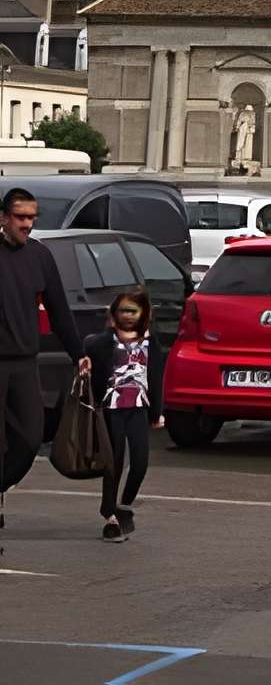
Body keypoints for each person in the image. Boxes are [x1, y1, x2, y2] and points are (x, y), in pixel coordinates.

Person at [0, 185, 87, 543]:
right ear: (3, 218)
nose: (28, 225)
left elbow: (59, 310)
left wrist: (78, 352)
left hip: (23, 364)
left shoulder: (40, 256)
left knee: (29, 438)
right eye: (21, 217)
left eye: (32, 218)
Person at [84, 288, 162, 540]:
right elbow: (89, 361)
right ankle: (110, 516)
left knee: (140, 462)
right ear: (113, 313)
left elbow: (156, 378)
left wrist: (158, 412)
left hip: (138, 408)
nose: (128, 315)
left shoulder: (150, 342)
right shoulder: (103, 342)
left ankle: (124, 505)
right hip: (111, 410)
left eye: (133, 310)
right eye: (123, 310)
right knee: (113, 463)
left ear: (144, 313)